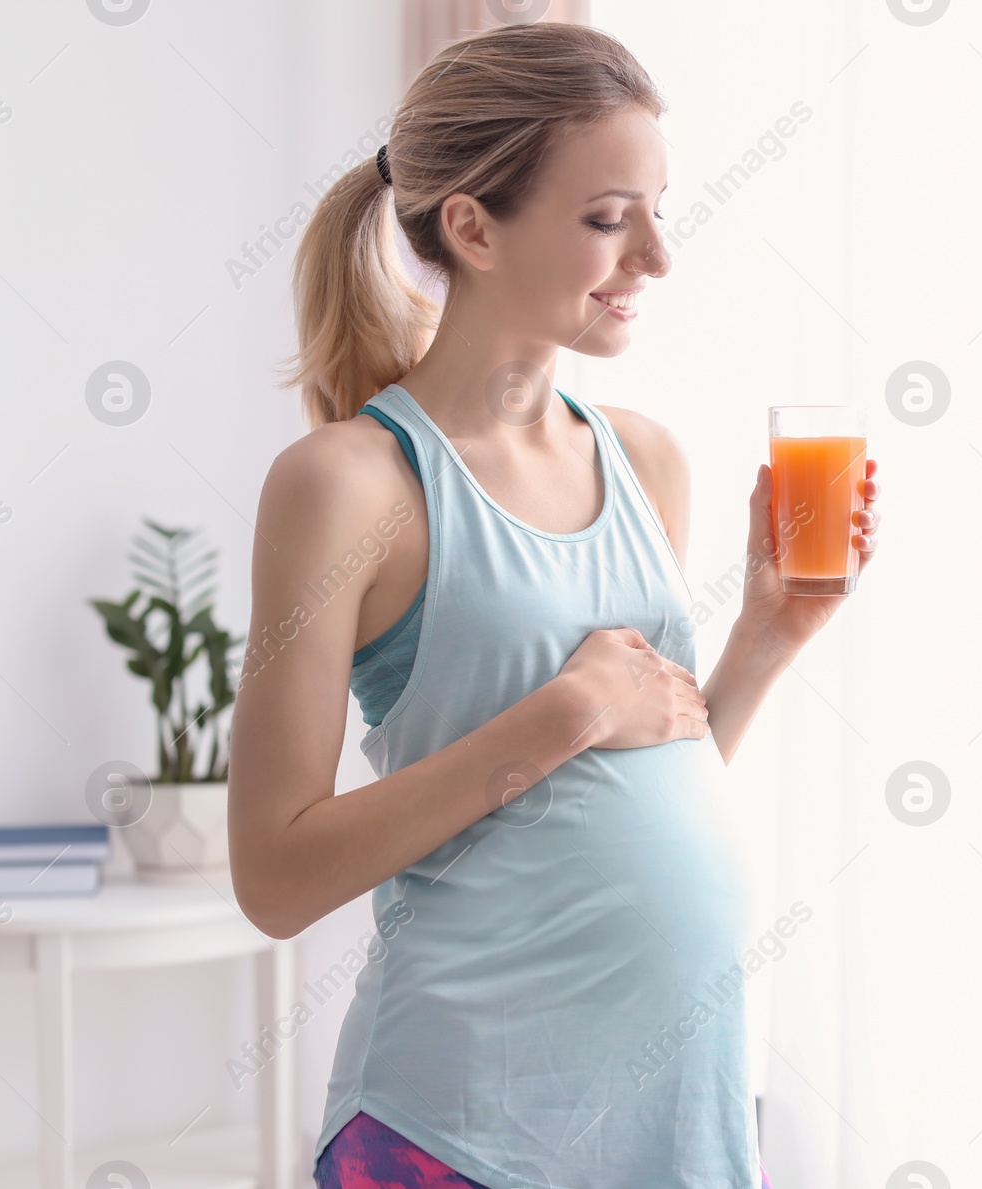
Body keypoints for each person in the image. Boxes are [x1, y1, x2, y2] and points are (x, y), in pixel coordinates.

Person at [226, 21, 880, 1189]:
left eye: (658, 210)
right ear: (473, 226)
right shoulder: (349, 486)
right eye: (607, 218)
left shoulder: (644, 458)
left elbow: (630, 780)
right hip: (460, 1126)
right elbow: (274, 878)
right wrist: (557, 715)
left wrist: (761, 641)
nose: (658, 259)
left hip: (676, 1125)